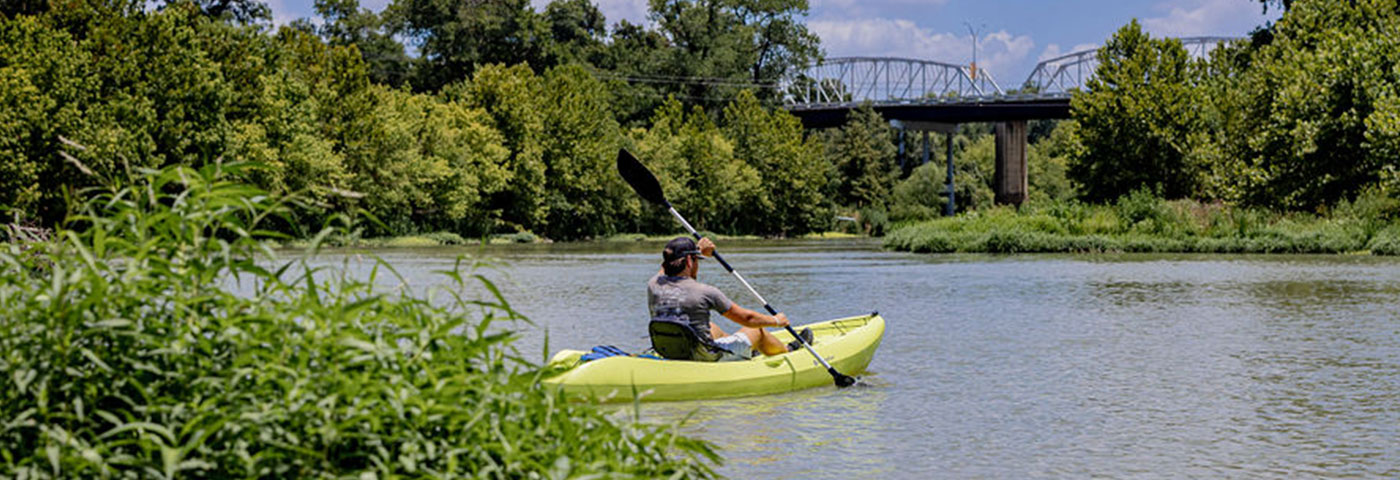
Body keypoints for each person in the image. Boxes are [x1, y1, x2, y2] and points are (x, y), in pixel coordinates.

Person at [647, 236, 811, 361]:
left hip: (668, 350)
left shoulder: (654, 284)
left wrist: (696, 250)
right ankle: (787, 351)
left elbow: (665, 265)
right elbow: (747, 318)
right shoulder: (705, 292)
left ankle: (747, 351)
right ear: (690, 261)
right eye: (697, 260)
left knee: (711, 327)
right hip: (704, 357)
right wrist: (776, 320)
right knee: (757, 330)